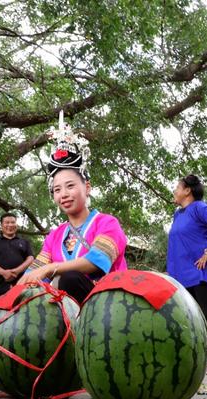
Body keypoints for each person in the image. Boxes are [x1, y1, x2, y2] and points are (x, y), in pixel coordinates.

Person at [19, 119, 127, 303]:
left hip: (110, 307)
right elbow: (33, 275)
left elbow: (95, 262)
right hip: (69, 310)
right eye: (57, 190)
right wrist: (13, 294)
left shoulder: (107, 223)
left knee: (69, 278)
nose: (64, 195)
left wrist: (50, 269)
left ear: (87, 187)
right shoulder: (55, 236)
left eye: (70, 186)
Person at [167, 174, 207, 374]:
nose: (175, 190)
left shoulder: (199, 207)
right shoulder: (178, 214)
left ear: (187, 190)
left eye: (178, 187)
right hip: (181, 276)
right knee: (188, 320)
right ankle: (195, 360)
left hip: (200, 271)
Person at [0, 213, 35, 300]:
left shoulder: (24, 242)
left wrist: (17, 271)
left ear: (16, 224)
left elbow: (30, 258)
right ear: (1, 225)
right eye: (7, 222)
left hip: (22, 288)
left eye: (13, 222)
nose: (10, 225)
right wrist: (3, 272)